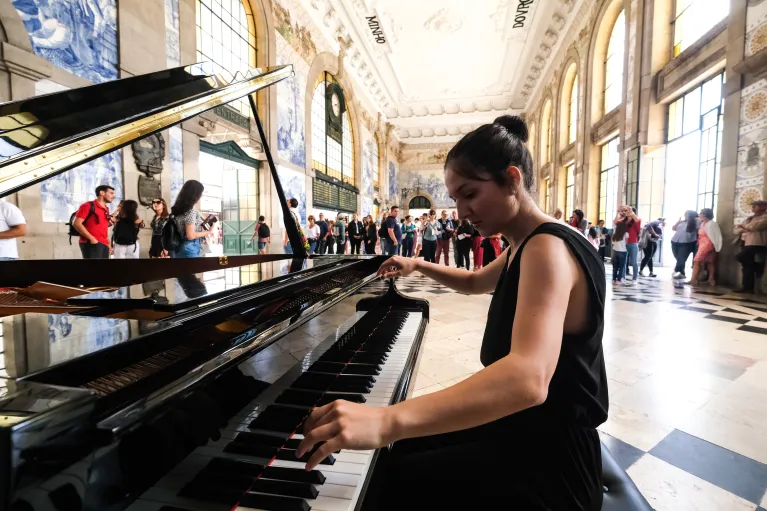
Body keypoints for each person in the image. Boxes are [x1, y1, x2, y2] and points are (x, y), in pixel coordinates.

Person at [296, 115, 607, 510]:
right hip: (522, 428)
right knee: (394, 456)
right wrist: (418, 265)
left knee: (391, 474)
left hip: (550, 460)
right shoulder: (526, 243)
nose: (460, 211)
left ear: (512, 180)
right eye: (456, 198)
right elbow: (476, 281)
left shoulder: (546, 248)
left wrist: (386, 419)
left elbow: (529, 379)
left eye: (469, 194)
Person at [73, 185, 116, 259]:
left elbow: (102, 228)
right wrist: (92, 239)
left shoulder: (106, 209)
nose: (113, 196)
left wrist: (108, 243)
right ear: (102, 192)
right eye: (111, 193)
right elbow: (76, 223)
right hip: (92, 243)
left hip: (103, 244)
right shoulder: (87, 205)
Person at [733, 200, 767, 293]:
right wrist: (743, 228)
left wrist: (744, 227)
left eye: (755, 206)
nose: (752, 208)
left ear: (763, 207)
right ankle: (747, 287)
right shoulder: (750, 218)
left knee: (740, 257)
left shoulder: (765, 217)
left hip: (758, 244)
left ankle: (755, 269)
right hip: (746, 242)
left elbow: (755, 227)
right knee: (746, 266)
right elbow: (736, 229)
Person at [170, 180, 209, 258]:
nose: (201, 196)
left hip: (178, 247)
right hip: (190, 248)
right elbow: (190, 235)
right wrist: (209, 231)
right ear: (195, 195)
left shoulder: (179, 211)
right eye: (200, 194)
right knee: (192, 269)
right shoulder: (190, 212)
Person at [689, 208, 722, 287]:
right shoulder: (703, 223)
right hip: (702, 243)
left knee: (697, 260)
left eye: (701, 213)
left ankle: (693, 279)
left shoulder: (712, 224)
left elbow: (716, 236)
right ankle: (711, 279)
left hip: (708, 244)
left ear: (706, 215)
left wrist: (715, 247)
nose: (700, 215)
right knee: (709, 262)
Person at [614, 206, 641, 284]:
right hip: (623, 244)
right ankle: (622, 277)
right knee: (623, 261)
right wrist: (618, 213)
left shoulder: (636, 220)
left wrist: (631, 212)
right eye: (626, 210)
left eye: (629, 210)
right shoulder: (623, 221)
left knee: (634, 261)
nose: (627, 211)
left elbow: (637, 220)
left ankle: (635, 278)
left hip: (632, 243)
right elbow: (615, 222)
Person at [671, 210, 699, 280]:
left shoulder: (696, 222)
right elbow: (673, 228)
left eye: (686, 214)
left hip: (686, 243)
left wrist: (695, 217)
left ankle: (677, 270)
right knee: (678, 258)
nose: (685, 215)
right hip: (675, 241)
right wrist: (678, 222)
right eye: (685, 213)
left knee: (681, 258)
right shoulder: (682, 222)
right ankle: (682, 272)